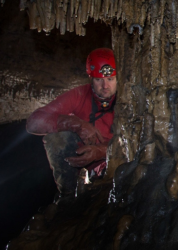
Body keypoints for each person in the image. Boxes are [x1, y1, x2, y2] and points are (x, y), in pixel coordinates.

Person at [27, 48, 117, 198]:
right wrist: (76, 124)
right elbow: (34, 123)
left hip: (115, 160)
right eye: (98, 79)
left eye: (110, 79)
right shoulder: (79, 95)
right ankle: (68, 196)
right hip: (81, 159)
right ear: (90, 79)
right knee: (56, 139)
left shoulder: (127, 100)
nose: (105, 86)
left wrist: (101, 151)